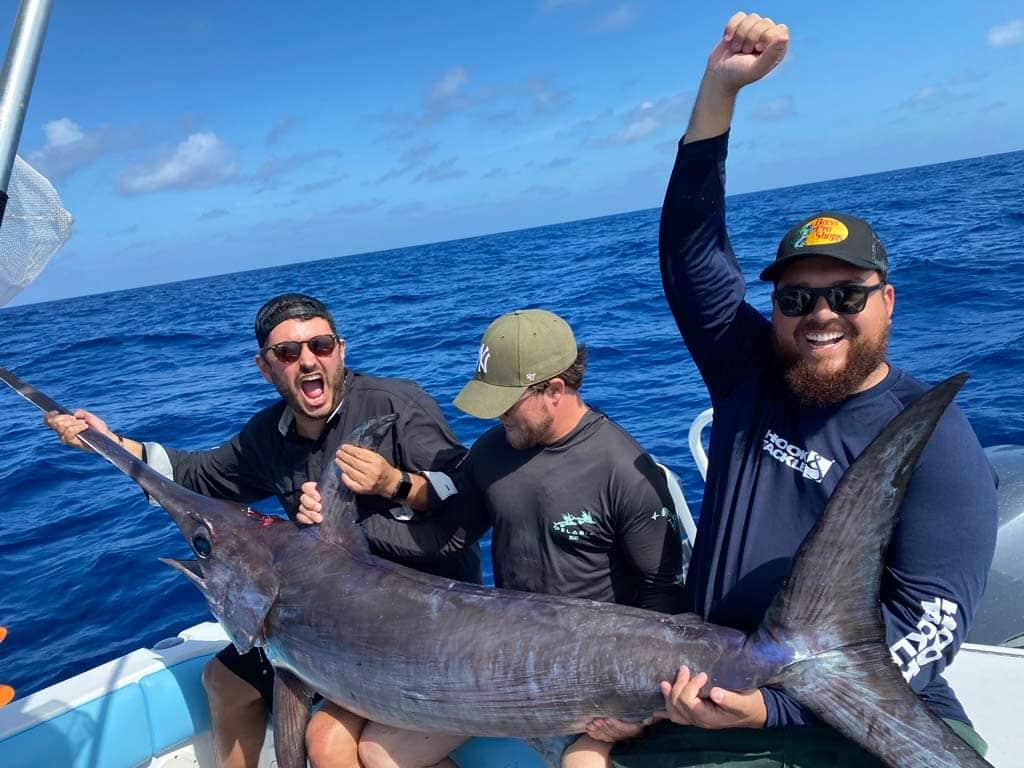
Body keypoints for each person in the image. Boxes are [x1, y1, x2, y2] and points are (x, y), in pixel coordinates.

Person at [608, 12, 998, 768]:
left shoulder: (936, 441)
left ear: (888, 301)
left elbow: (929, 625)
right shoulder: (750, 372)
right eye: (795, 298)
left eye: (846, 295)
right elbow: (692, 252)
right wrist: (720, 89)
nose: (820, 314)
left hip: (863, 712)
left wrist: (773, 709)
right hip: (714, 691)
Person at [44, 292, 481, 768]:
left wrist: (393, 484)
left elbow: (464, 499)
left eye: (321, 345)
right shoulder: (267, 435)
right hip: (316, 618)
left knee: (331, 743)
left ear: (341, 350)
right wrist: (111, 445)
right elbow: (196, 477)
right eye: (288, 353)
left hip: (420, 623)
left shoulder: (397, 404)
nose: (308, 361)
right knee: (224, 683)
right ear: (265, 367)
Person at [299, 308, 688, 768]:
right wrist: (338, 528)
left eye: (507, 402)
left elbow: (666, 599)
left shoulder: (624, 470)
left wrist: (637, 708)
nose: (497, 415)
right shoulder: (492, 451)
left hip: (595, 678)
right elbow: (444, 538)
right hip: (502, 665)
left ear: (555, 390)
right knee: (379, 752)